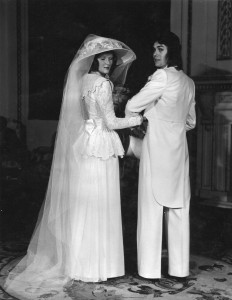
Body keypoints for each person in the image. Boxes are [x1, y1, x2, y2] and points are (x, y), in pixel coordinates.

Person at [3, 34, 142, 299]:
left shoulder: (82, 80)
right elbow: (111, 123)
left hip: (86, 143)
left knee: (86, 204)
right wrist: (136, 119)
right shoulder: (102, 84)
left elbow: (83, 114)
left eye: (110, 59)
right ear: (94, 60)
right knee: (100, 202)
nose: (108, 62)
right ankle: (98, 265)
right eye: (103, 58)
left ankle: (79, 264)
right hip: (101, 144)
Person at [125, 31, 196, 280]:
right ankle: (179, 269)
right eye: (154, 49)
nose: (155, 53)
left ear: (171, 51)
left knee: (151, 208)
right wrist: (170, 124)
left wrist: (148, 116)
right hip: (178, 152)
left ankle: (149, 270)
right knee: (178, 209)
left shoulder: (161, 76)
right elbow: (191, 122)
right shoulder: (189, 82)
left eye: (161, 49)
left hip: (156, 150)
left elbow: (132, 105)